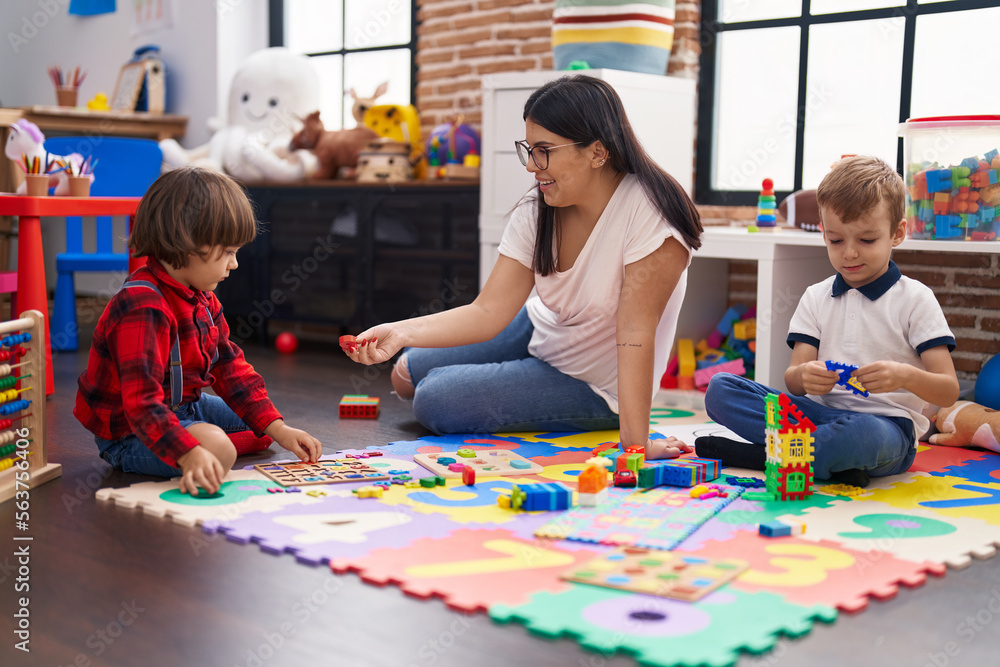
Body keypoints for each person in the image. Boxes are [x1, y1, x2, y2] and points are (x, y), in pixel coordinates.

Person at [344, 75, 703, 457]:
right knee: (403, 375)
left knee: (433, 399)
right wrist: (399, 331)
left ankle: (525, 384)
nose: (532, 166)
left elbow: (635, 332)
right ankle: (512, 375)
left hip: (592, 383)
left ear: (597, 152)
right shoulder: (541, 206)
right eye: (529, 150)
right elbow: (488, 310)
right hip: (540, 327)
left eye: (544, 150)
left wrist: (636, 445)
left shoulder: (650, 214)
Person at [698, 156, 960, 487]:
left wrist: (904, 376)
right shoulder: (816, 297)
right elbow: (793, 381)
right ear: (823, 233)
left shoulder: (915, 299)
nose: (849, 253)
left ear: (897, 233)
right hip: (816, 417)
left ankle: (765, 455)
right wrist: (805, 375)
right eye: (836, 240)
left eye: (866, 240)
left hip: (887, 428)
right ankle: (823, 458)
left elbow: (948, 390)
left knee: (860, 435)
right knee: (721, 389)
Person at [75, 167, 322, 496]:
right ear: (188, 243)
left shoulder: (203, 297)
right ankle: (205, 446)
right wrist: (188, 452)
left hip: (184, 406)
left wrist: (280, 429)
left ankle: (211, 439)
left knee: (264, 426)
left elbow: (229, 367)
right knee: (220, 450)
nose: (234, 263)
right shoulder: (143, 305)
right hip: (131, 432)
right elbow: (142, 405)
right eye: (229, 252)